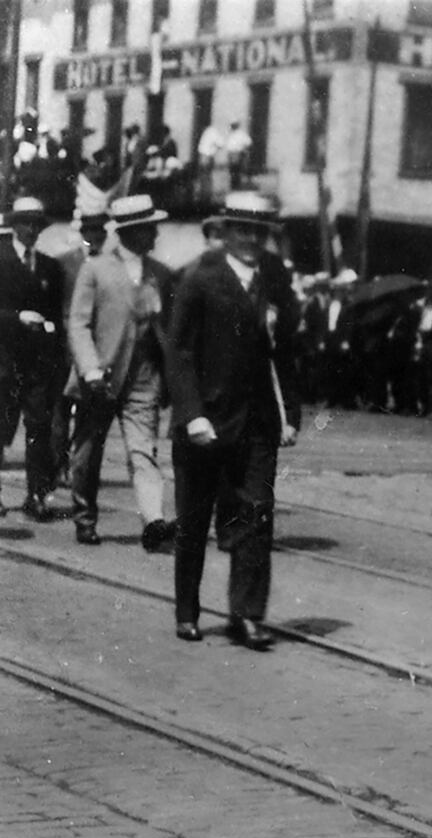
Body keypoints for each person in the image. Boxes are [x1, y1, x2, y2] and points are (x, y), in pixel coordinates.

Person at [162, 192, 302, 650]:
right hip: (206, 423)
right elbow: (179, 353)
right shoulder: (199, 276)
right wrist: (192, 415)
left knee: (257, 517)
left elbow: (288, 350)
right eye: (243, 230)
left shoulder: (276, 277)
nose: (252, 240)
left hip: (257, 423)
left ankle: (247, 615)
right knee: (194, 523)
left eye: (260, 232)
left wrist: (290, 413)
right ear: (225, 232)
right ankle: (187, 611)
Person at [64, 194, 177, 550]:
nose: (156, 235)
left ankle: (154, 521)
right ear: (132, 232)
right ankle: (84, 516)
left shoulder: (160, 274)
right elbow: (79, 325)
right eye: (149, 229)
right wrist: (90, 368)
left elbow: (170, 329)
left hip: (144, 375)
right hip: (100, 376)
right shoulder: (95, 268)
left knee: (143, 450)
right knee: (87, 452)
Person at [0, 196, 68, 520]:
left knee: (38, 427)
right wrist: (16, 318)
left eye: (36, 224)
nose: (31, 230)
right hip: (3, 359)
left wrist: (51, 334)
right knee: (1, 428)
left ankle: (36, 494)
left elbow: (56, 315)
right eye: (26, 223)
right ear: (14, 225)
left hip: (38, 363)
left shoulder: (50, 267)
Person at [52, 203, 112, 489]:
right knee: (61, 410)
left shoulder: (111, 264)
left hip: (96, 350)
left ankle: (80, 467)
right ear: (82, 232)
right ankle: (58, 465)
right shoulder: (65, 262)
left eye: (99, 231)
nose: (95, 236)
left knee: (89, 413)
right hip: (65, 347)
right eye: (89, 231)